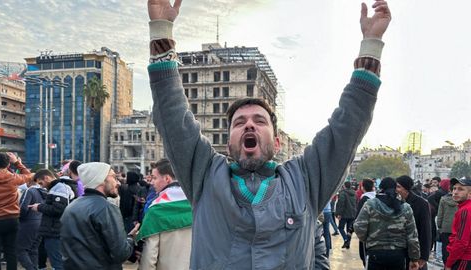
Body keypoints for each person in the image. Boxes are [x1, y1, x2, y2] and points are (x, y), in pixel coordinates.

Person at [146, 0, 391, 267]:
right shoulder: (205, 176)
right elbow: (173, 118)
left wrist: (371, 45)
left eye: (259, 121)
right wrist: (161, 31)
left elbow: (346, 128)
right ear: (228, 144)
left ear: (276, 141)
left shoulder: (305, 180)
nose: (249, 125)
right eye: (239, 123)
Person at [60, 162, 139, 270]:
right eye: (114, 177)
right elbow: (121, 253)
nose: (118, 183)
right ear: (101, 180)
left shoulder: (72, 206)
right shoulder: (106, 208)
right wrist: (130, 238)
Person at [137, 158, 192, 269]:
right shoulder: (198, 204)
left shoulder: (156, 210)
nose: (151, 182)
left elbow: (149, 256)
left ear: (167, 179)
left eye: (154, 178)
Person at [354, 177, 420, 270]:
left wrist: (367, 239)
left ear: (381, 188)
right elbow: (412, 236)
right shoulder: (405, 208)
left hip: (375, 253)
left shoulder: (370, 205)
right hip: (398, 255)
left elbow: (359, 227)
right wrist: (414, 258)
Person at [0, 152, 34, 270]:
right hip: (12, 219)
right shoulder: (13, 178)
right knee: (11, 252)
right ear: (8, 164)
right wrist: (17, 163)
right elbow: (30, 175)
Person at [29, 169, 77, 270]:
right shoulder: (57, 187)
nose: (41, 186)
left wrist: (39, 207)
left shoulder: (59, 187)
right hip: (56, 230)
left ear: (47, 178)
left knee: (58, 263)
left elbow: (59, 209)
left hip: (56, 231)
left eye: (41, 183)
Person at [396, 175, 432, 269]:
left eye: (399, 187)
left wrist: (424, 257)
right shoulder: (396, 202)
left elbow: (426, 230)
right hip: (400, 251)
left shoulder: (421, 203)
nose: (396, 189)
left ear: (406, 188)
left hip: (416, 252)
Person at [16, 174, 47, 270]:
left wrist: (20, 219)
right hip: (41, 222)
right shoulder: (45, 191)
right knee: (33, 250)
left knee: (20, 250)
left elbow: (23, 208)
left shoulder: (29, 191)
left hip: (28, 223)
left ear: (29, 181)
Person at [444, 177, 471, 270]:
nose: (455, 192)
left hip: (464, 259)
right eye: (454, 188)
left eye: (461, 189)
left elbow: (461, 241)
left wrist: (449, 263)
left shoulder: (465, 210)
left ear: (470, 193)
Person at [437, 178, 458, 266]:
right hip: (457, 228)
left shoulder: (443, 199)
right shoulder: (460, 200)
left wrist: (439, 226)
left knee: (445, 249)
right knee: (455, 248)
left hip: (445, 228)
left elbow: (440, 215)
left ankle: (446, 265)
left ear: (449, 189)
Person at [356, 178, 375, 266]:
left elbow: (358, 218)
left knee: (365, 256)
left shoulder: (364, 199)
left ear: (362, 187)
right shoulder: (377, 197)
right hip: (376, 233)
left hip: (366, 234)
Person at [335, 181, 357, 249]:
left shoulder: (343, 193)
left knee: (341, 228)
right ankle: (348, 244)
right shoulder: (354, 193)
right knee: (349, 230)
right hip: (352, 214)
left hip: (344, 214)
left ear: (344, 186)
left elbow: (341, 204)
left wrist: (338, 213)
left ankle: (346, 239)